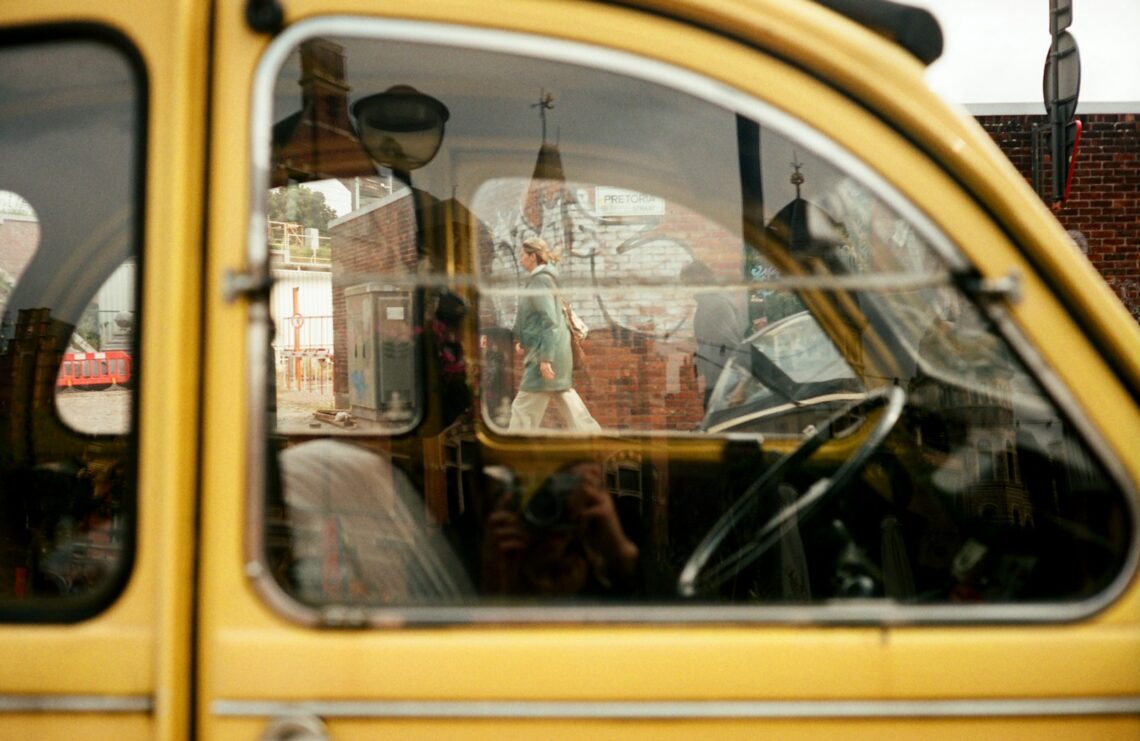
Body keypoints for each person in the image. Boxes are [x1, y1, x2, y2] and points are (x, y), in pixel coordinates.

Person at [508, 236, 601, 431]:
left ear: (533, 256)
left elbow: (549, 321)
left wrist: (545, 359)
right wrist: (524, 341)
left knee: (523, 408)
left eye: (523, 254)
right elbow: (537, 318)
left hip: (544, 355)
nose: (520, 258)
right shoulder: (548, 278)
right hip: (556, 351)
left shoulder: (540, 281)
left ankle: (514, 448)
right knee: (565, 396)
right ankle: (593, 437)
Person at [681, 260, 748, 409]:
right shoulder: (707, 304)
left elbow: (733, 344)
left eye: (688, 283)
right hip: (717, 378)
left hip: (724, 381)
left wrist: (741, 385)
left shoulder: (716, 305)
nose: (687, 288)